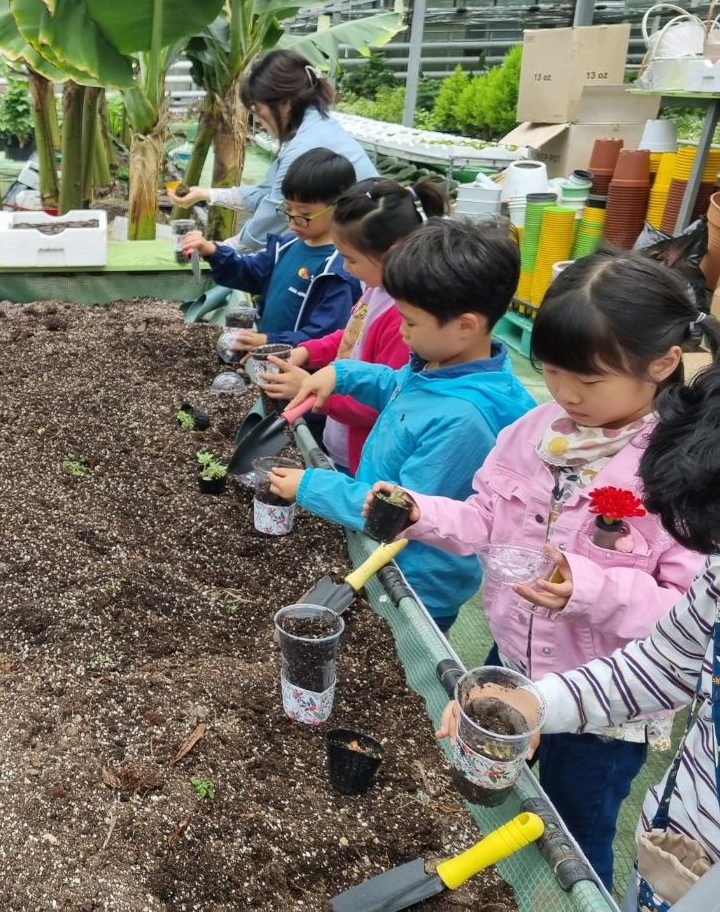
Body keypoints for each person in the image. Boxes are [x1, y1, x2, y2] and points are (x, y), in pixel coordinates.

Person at [372, 251, 712, 890]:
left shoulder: (680, 475)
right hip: (516, 656)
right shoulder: (534, 432)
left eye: (589, 379)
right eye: (552, 371)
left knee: (575, 833)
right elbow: (483, 520)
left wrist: (588, 587)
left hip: (606, 709)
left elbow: (687, 615)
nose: (567, 394)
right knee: (514, 792)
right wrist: (420, 512)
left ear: (663, 363)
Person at [439, 361, 720, 912]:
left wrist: (592, 592)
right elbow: (667, 661)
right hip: (678, 853)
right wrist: (533, 702)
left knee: (580, 824)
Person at [268, 219, 535, 630]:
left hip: (414, 583)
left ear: (465, 326)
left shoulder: (465, 420)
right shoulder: (440, 366)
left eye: (409, 321)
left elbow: (394, 513)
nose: (400, 330)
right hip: (378, 550)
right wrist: (341, 374)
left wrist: (307, 486)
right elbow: (396, 385)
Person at [257, 178, 443, 474]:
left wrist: (312, 392)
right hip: (340, 443)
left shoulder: (404, 319)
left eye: (351, 259)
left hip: (365, 459)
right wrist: (306, 352)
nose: (345, 269)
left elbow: (382, 401)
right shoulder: (376, 289)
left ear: (393, 253)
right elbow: (352, 337)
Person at [169, 50, 376, 252]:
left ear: (285, 103)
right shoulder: (316, 126)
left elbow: (275, 211)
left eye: (258, 109)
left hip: (365, 244)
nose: (257, 119)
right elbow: (268, 192)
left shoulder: (304, 146)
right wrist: (205, 194)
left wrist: (221, 249)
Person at [180, 148, 361, 351]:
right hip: (269, 357)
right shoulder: (286, 246)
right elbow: (249, 272)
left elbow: (326, 335)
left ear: (339, 207)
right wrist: (213, 251)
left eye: (304, 213)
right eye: (287, 209)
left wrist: (270, 340)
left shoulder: (339, 268)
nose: (292, 220)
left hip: (304, 373)